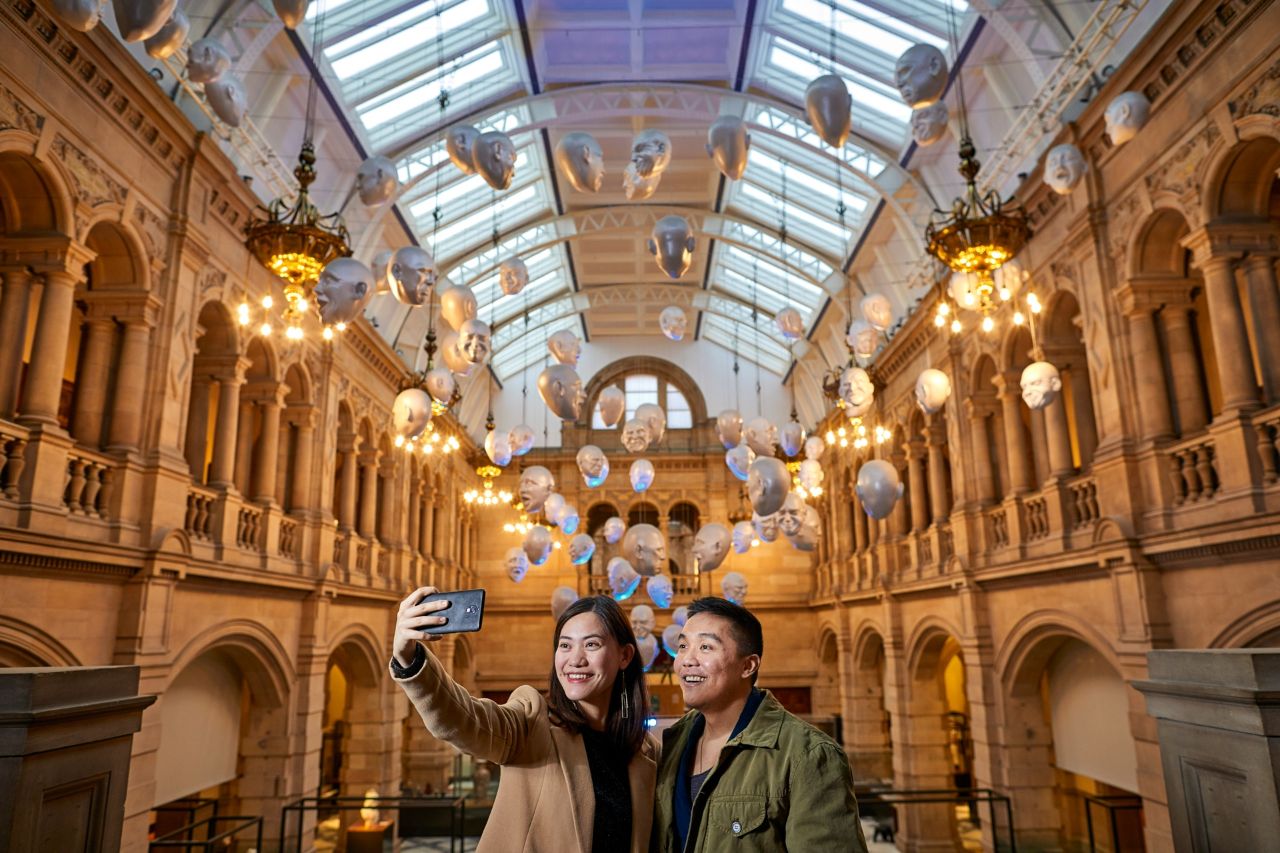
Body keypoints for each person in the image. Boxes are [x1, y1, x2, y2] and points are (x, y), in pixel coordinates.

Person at [392, 587, 659, 852]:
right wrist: (410, 661)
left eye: (591, 644)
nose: (575, 659)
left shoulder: (647, 751)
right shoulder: (532, 721)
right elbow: (465, 719)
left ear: (624, 656)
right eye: (565, 645)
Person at [652, 597, 868, 851]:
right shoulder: (675, 740)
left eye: (706, 647)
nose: (687, 660)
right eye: (682, 646)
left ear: (748, 666)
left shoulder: (807, 755)